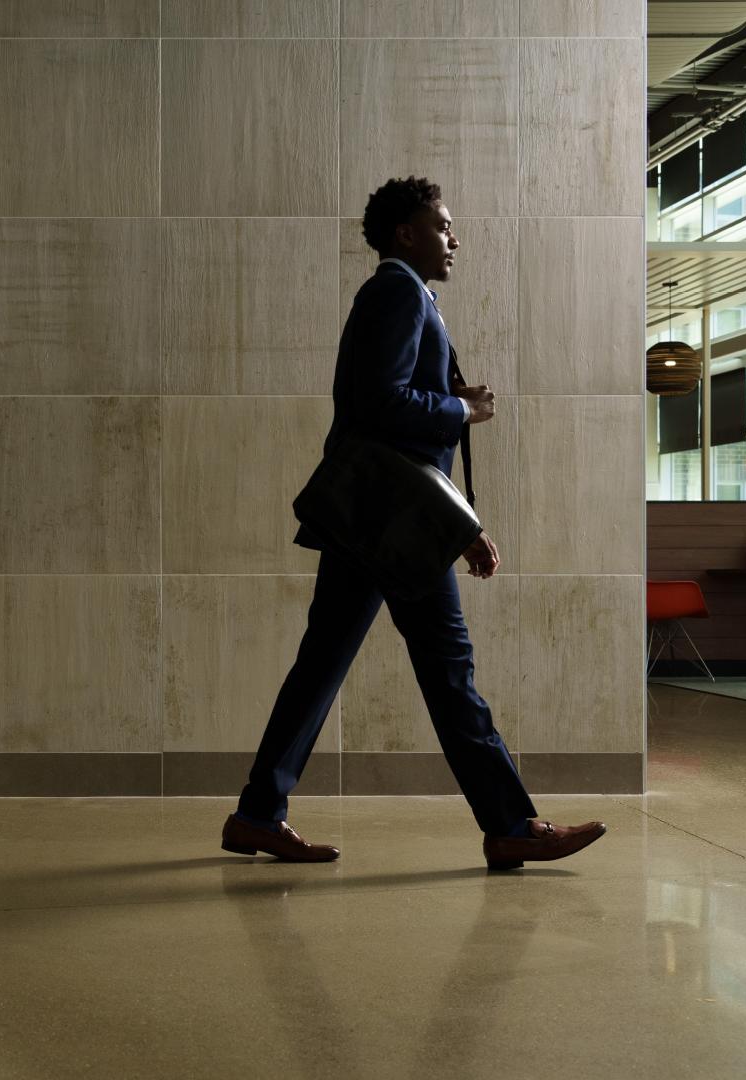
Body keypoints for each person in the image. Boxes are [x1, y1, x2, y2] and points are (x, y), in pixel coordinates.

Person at [221, 176, 606, 870]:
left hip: (370, 522)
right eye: (443, 225)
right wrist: (463, 413)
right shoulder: (398, 291)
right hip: (396, 524)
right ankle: (512, 824)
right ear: (406, 233)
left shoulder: (402, 296)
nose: (454, 239)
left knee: (321, 668)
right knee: (448, 670)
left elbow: (383, 404)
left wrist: (447, 402)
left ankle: (257, 814)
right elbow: (381, 405)